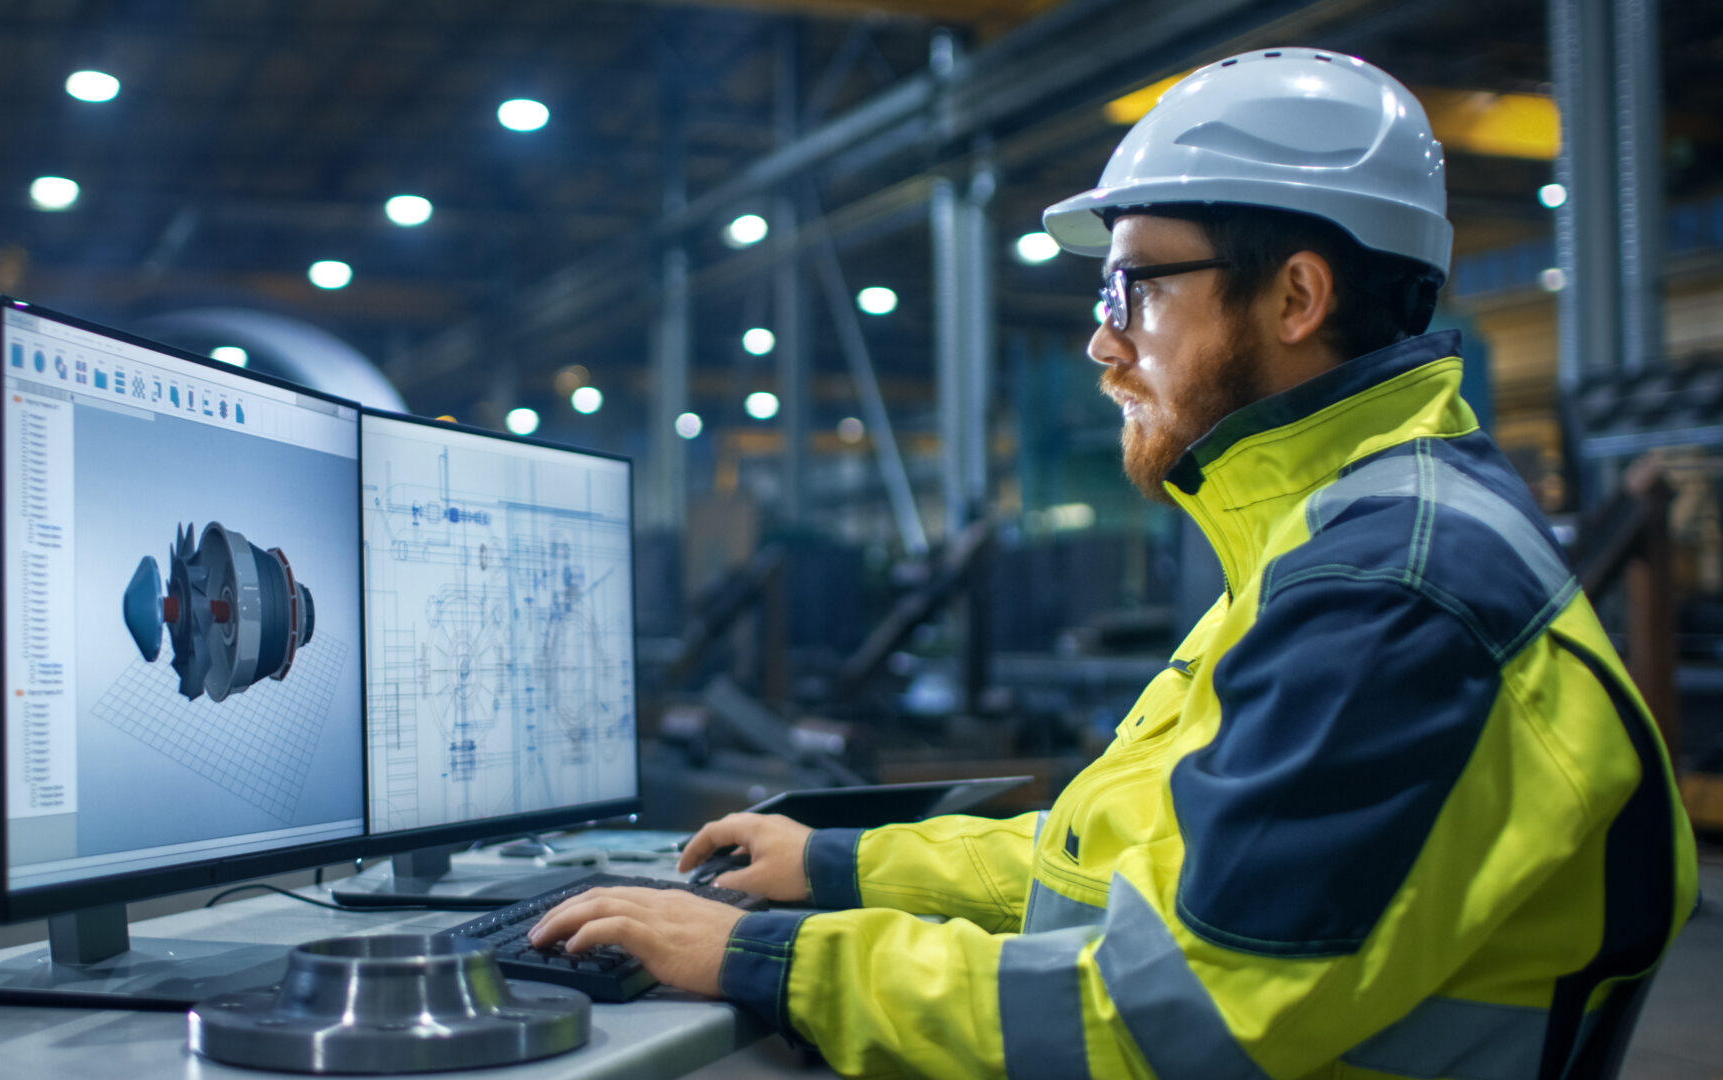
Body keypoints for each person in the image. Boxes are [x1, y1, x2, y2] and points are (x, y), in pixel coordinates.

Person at [529, 48, 1700, 1078]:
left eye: (1134, 283)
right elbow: (1126, 858)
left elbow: (1170, 1021)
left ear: (1297, 294)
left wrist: (761, 958)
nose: (1102, 337)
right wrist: (842, 864)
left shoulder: (1390, 590)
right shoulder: (1332, 538)